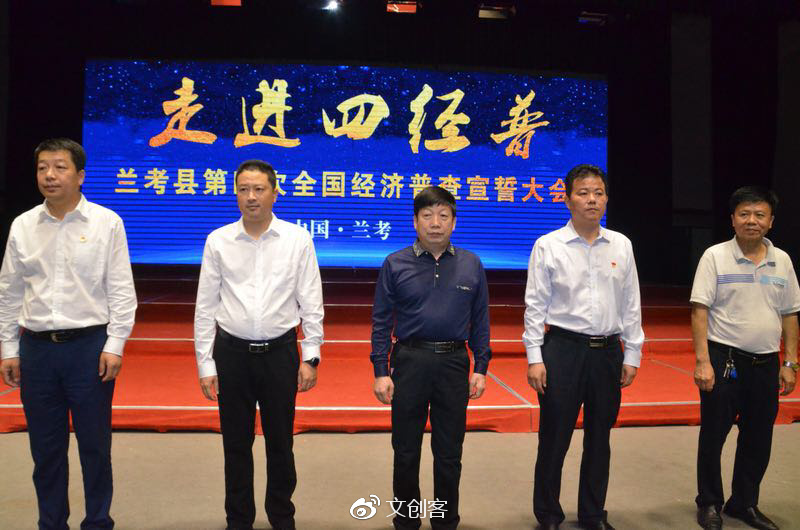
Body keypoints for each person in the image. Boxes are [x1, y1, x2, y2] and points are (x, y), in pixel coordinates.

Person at [0, 138, 137, 529]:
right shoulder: (23, 225)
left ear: (80, 176)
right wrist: (9, 348)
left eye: (60, 167)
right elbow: (9, 290)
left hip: (88, 348)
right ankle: (51, 522)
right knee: (45, 450)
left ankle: (98, 521)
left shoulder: (107, 223)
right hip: (37, 349)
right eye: (43, 167)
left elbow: (121, 289)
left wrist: (115, 344)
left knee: (95, 446)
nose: (50, 175)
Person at [194, 159, 323, 530]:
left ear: (274, 193)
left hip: (280, 354)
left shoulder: (297, 239)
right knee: (235, 444)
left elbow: (311, 300)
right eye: (243, 190)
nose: (251, 197)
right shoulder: (218, 240)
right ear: (235, 194)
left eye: (259, 189)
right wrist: (206, 363)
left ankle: (282, 517)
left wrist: (311, 356)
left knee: (280, 443)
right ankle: (238, 520)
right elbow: (206, 306)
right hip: (231, 355)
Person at [523, 164, 643, 530]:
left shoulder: (621, 244)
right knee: (554, 438)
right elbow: (535, 306)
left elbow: (631, 303)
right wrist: (535, 357)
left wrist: (632, 352)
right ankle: (548, 514)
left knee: (599, 439)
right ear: (567, 199)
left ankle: (593, 514)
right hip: (563, 349)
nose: (592, 200)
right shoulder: (548, 245)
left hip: (607, 352)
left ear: (606, 198)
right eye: (583, 193)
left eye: (598, 193)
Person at [371, 186, 491, 530]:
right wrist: (381, 370)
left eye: (443, 216)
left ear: (454, 222)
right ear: (415, 221)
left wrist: (481, 367)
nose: (435, 223)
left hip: (454, 363)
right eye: (427, 215)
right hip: (409, 361)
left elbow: (481, 319)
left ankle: (445, 520)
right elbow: (381, 320)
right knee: (406, 450)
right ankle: (407, 521)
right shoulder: (395, 263)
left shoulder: (471, 263)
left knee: (449, 453)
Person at [691, 186, 799, 530]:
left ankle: (744, 503)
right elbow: (699, 310)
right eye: (744, 214)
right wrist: (703, 361)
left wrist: (790, 362)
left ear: (771, 221)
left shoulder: (782, 260)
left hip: (766, 364)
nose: (752, 220)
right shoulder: (714, 256)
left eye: (760, 214)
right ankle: (709, 502)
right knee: (714, 436)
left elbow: (790, 314)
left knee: (758, 438)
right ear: (733, 219)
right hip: (725, 360)